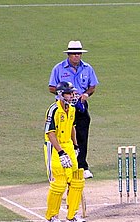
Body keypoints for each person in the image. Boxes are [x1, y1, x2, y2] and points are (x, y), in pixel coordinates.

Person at [49, 40, 99, 179]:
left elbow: (92, 86)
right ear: (69, 54)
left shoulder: (87, 68)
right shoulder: (58, 68)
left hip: (80, 105)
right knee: (63, 136)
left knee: (82, 136)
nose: (76, 56)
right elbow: (51, 87)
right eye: (74, 53)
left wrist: (85, 95)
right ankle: (60, 166)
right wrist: (66, 94)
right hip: (64, 106)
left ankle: (82, 167)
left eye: (78, 53)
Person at [43, 81, 85, 222]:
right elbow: (50, 134)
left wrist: (76, 145)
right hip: (54, 147)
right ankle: (51, 216)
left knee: (76, 180)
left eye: (72, 93)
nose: (72, 96)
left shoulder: (72, 109)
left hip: (68, 145)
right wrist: (61, 152)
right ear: (61, 94)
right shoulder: (53, 110)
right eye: (69, 93)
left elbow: (72, 127)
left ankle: (72, 215)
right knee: (59, 183)